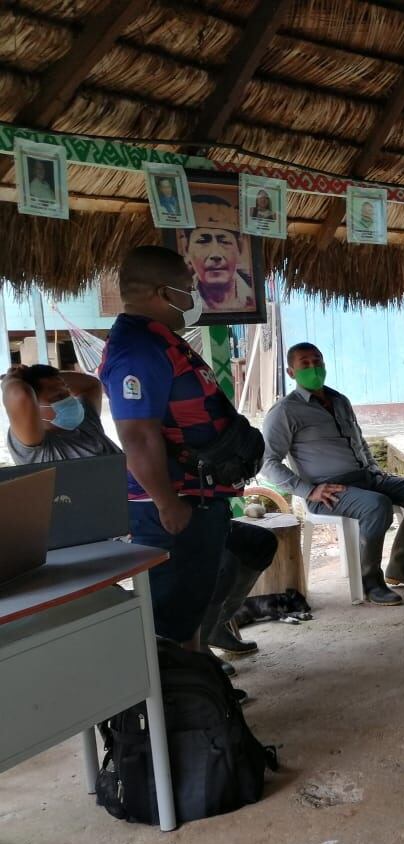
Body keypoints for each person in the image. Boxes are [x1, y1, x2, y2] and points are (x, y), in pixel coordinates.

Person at [3, 359, 276, 675]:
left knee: (249, 545)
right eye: (55, 395)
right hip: (112, 538)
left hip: (140, 517)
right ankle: (188, 666)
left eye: (65, 391)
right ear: (35, 407)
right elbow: (19, 397)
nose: (66, 397)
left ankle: (209, 628)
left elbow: (92, 385)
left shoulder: (85, 425)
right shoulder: (34, 447)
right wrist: (15, 378)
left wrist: (50, 379)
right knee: (186, 580)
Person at [99, 246, 249, 656]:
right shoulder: (137, 351)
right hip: (173, 503)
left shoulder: (159, 341)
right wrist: (167, 503)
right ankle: (181, 704)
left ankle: (198, 686)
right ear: (161, 293)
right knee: (171, 619)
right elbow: (137, 437)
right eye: (186, 289)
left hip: (197, 496)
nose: (192, 298)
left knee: (191, 604)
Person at [261, 343, 404, 606]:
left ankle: (400, 565)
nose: (313, 368)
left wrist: (373, 468)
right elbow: (267, 462)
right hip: (328, 491)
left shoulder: (339, 400)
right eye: (305, 363)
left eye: (318, 361)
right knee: (377, 506)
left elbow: (359, 442)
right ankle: (371, 582)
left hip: (368, 478)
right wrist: (308, 490)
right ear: (291, 372)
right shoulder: (285, 412)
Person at [184, 193, 256, 311]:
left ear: (239, 248)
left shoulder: (251, 296)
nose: (215, 254)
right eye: (202, 241)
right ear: (187, 249)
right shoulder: (182, 301)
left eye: (225, 241)